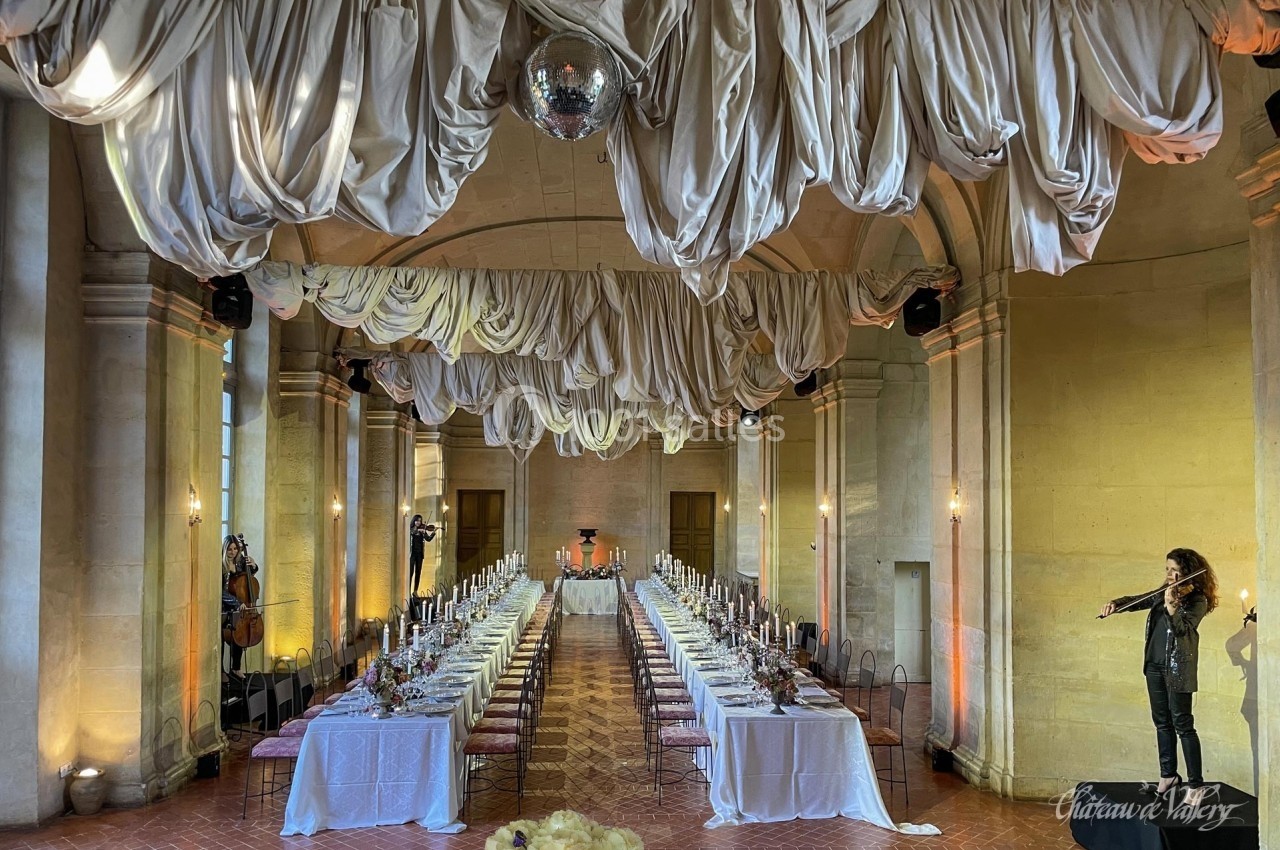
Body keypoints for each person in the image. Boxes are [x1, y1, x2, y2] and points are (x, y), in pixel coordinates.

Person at [1100, 548, 1218, 803]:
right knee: (1162, 722)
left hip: (1177, 668)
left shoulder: (1197, 599)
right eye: (1167, 569)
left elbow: (1183, 630)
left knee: (1183, 725)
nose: (1169, 575)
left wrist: (1172, 607)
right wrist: (1117, 605)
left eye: (1174, 570)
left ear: (1187, 571)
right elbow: (1140, 600)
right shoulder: (1164, 591)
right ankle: (1168, 775)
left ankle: (1196, 785)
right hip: (1154, 665)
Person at [221, 534, 259, 674]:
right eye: (230, 549)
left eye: (235, 549)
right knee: (222, 640)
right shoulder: (221, 565)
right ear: (225, 550)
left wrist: (253, 566)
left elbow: (249, 577)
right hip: (226, 606)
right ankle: (221, 671)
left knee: (239, 635)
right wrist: (237, 603)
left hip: (241, 605)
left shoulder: (240, 561)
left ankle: (236, 668)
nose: (233, 552)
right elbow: (220, 592)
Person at [408, 515, 436, 596]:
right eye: (417, 521)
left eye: (420, 521)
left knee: (418, 573)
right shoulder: (411, 529)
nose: (418, 522)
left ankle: (415, 591)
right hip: (412, 554)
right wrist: (418, 530)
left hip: (420, 554)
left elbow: (428, 539)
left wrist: (434, 532)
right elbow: (411, 532)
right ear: (414, 521)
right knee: (411, 573)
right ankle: (408, 591)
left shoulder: (422, 531)